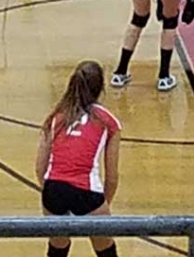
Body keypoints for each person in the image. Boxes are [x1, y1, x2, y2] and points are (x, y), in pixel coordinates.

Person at [35, 61, 121, 257]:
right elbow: (112, 176)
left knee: (57, 249)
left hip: (53, 189)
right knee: (107, 252)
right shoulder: (109, 121)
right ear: (100, 88)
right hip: (87, 192)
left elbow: (40, 168)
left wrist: (53, 191)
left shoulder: (55, 117)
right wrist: (101, 205)